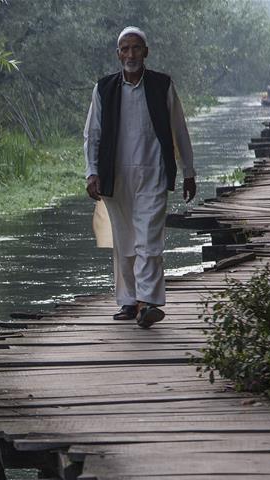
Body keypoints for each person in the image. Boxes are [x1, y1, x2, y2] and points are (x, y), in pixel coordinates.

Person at [83, 26, 197, 328]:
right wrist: (91, 172)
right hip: (115, 178)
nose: (131, 54)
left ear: (146, 52)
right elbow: (92, 135)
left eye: (136, 48)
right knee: (125, 242)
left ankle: (149, 303)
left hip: (154, 174)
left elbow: (179, 130)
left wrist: (189, 172)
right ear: (118, 54)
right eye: (125, 49)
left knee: (148, 240)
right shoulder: (104, 88)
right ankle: (130, 301)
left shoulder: (162, 85)